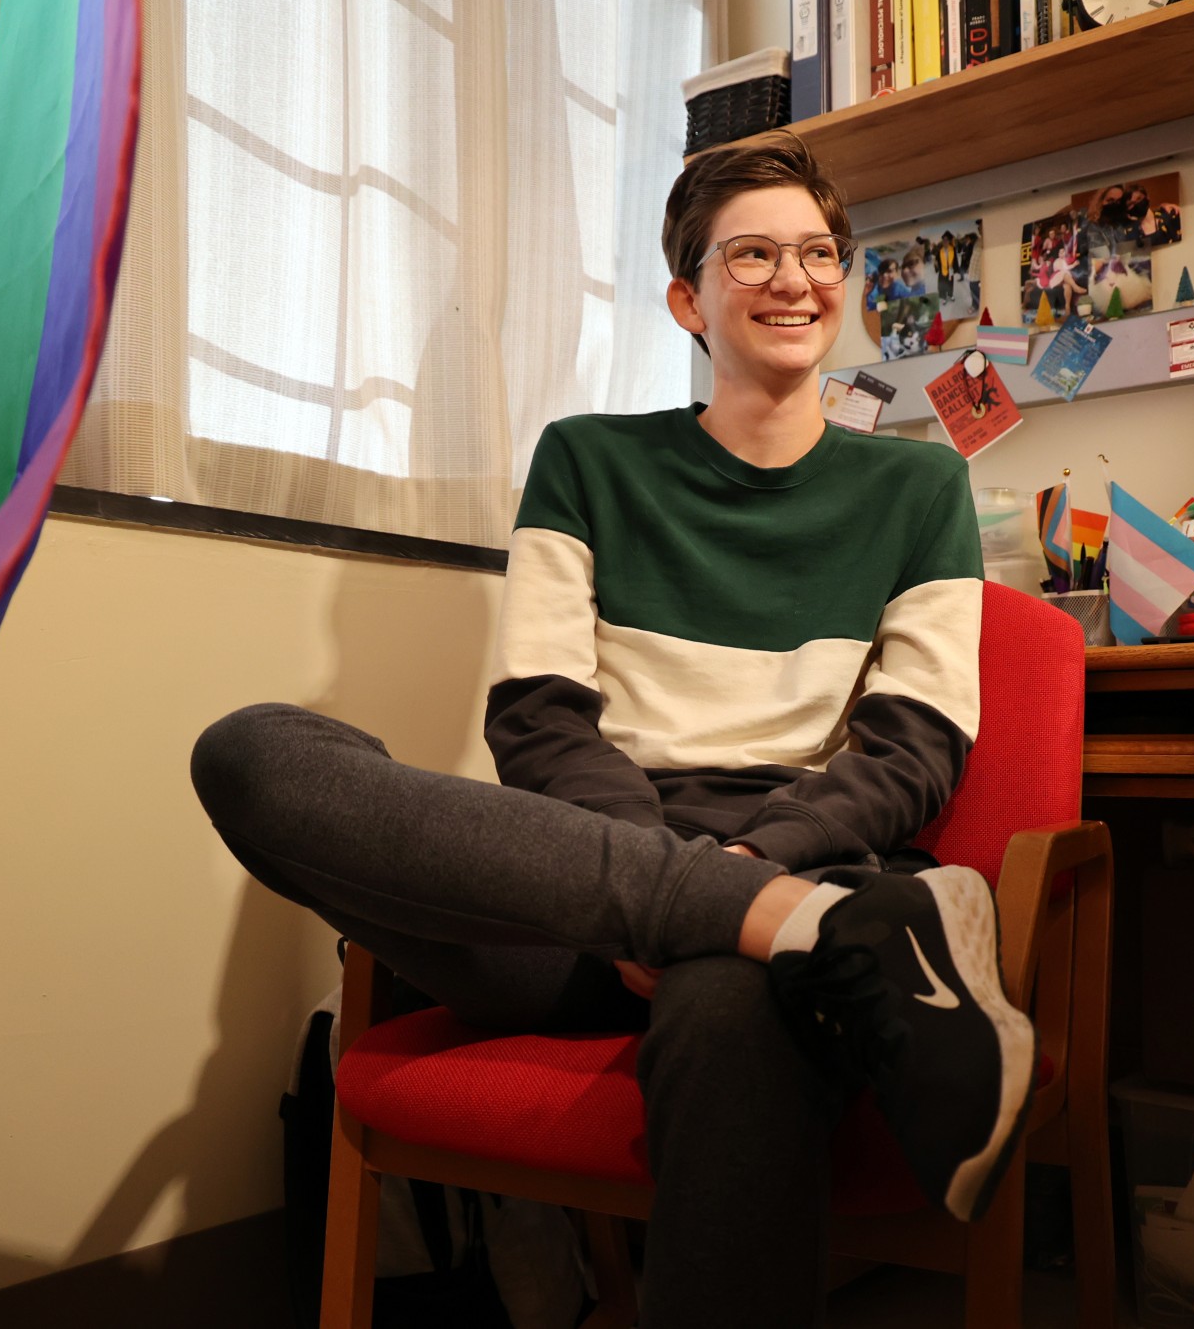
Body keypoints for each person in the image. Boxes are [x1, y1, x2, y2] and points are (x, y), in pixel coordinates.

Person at [188, 131, 1036, 1329]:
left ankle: (774, 921)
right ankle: (791, 929)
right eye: (752, 255)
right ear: (687, 297)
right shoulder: (586, 460)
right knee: (250, 751)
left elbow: (914, 741)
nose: (795, 279)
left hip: (788, 870)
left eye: (817, 252)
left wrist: (746, 872)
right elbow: (535, 719)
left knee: (733, 1008)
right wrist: (651, 886)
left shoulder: (913, 487)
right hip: (584, 882)